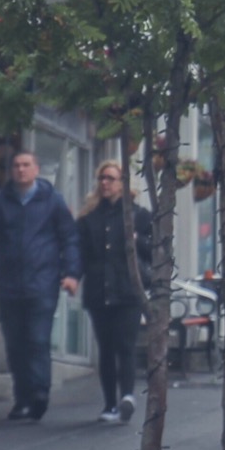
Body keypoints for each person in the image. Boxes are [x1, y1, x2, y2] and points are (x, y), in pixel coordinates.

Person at [0, 149, 81, 422]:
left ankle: (39, 394)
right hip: (9, 284)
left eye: (26, 165)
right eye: (16, 165)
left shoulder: (52, 201)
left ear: (36, 170)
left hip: (42, 282)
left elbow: (69, 238)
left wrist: (71, 274)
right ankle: (21, 398)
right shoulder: (0, 201)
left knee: (37, 339)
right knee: (15, 344)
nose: (21, 170)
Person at [74, 163, 152, 423]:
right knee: (105, 348)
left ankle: (127, 396)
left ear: (122, 183)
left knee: (125, 345)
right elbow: (81, 254)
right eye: (101, 178)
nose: (104, 183)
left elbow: (155, 251)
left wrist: (138, 239)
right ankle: (109, 405)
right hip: (99, 291)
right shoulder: (89, 217)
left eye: (110, 178)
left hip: (128, 290)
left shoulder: (139, 215)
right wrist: (73, 277)